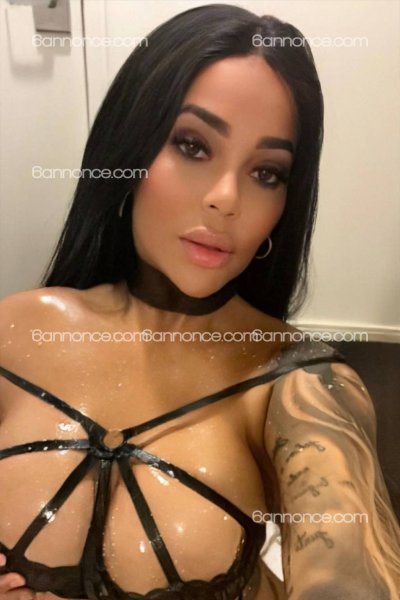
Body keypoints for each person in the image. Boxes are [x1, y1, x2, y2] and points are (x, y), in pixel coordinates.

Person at [0, 4, 399, 600]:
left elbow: (350, 572)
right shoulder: (17, 330)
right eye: (192, 145)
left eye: (267, 173)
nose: (226, 198)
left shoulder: (300, 383)